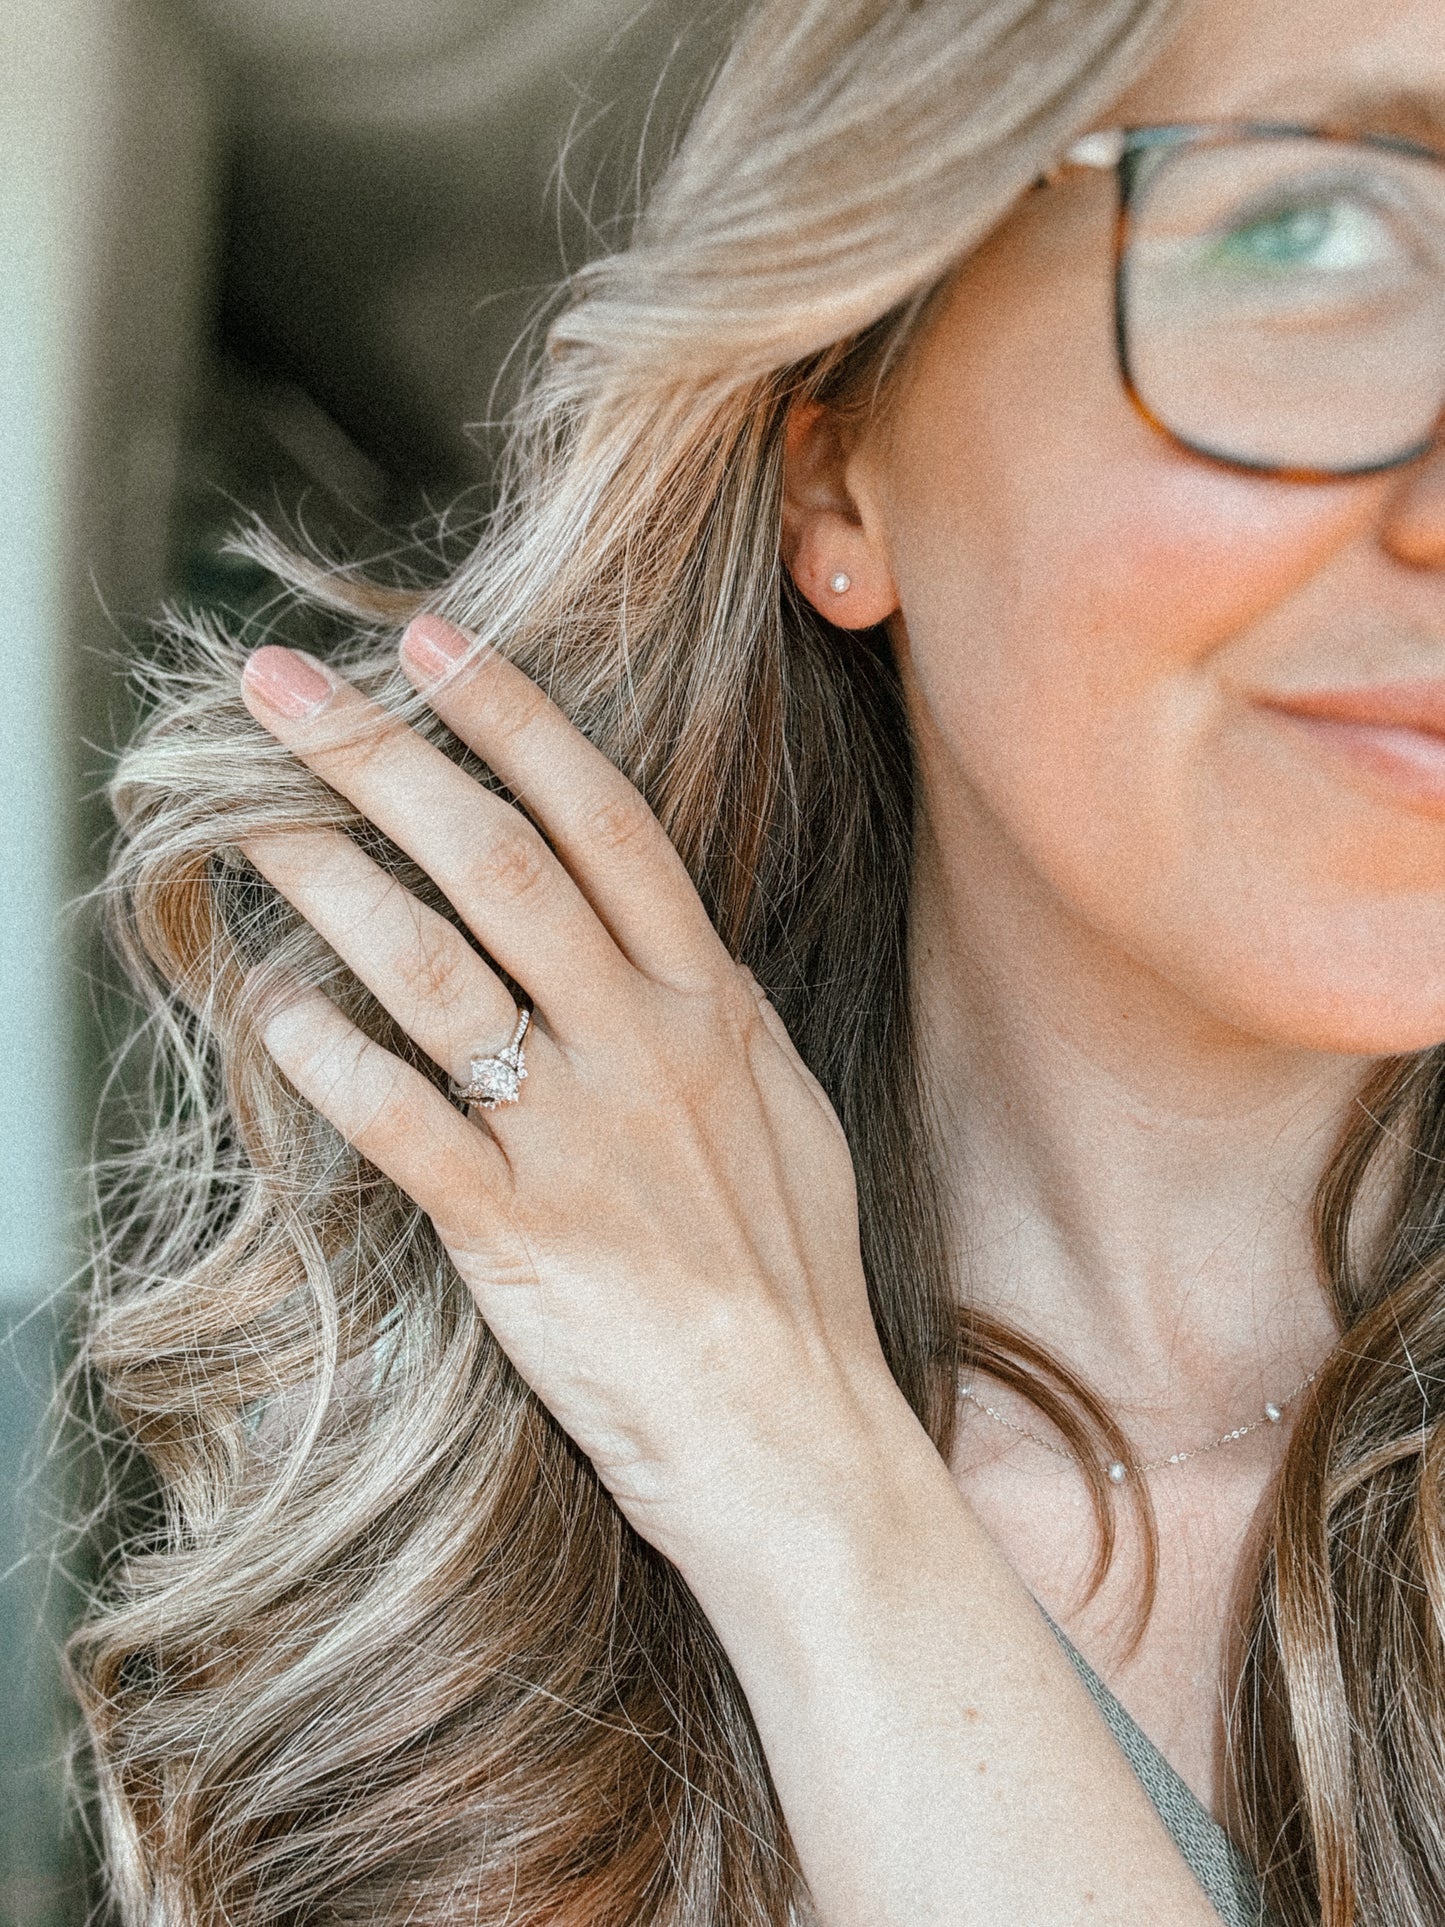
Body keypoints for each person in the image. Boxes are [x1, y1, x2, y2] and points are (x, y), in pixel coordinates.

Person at [71, 0, 1445, 1919]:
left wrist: (801, 1478)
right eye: (1310, 233)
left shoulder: (728, 1445)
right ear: (837, 470)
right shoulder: (435, 1558)